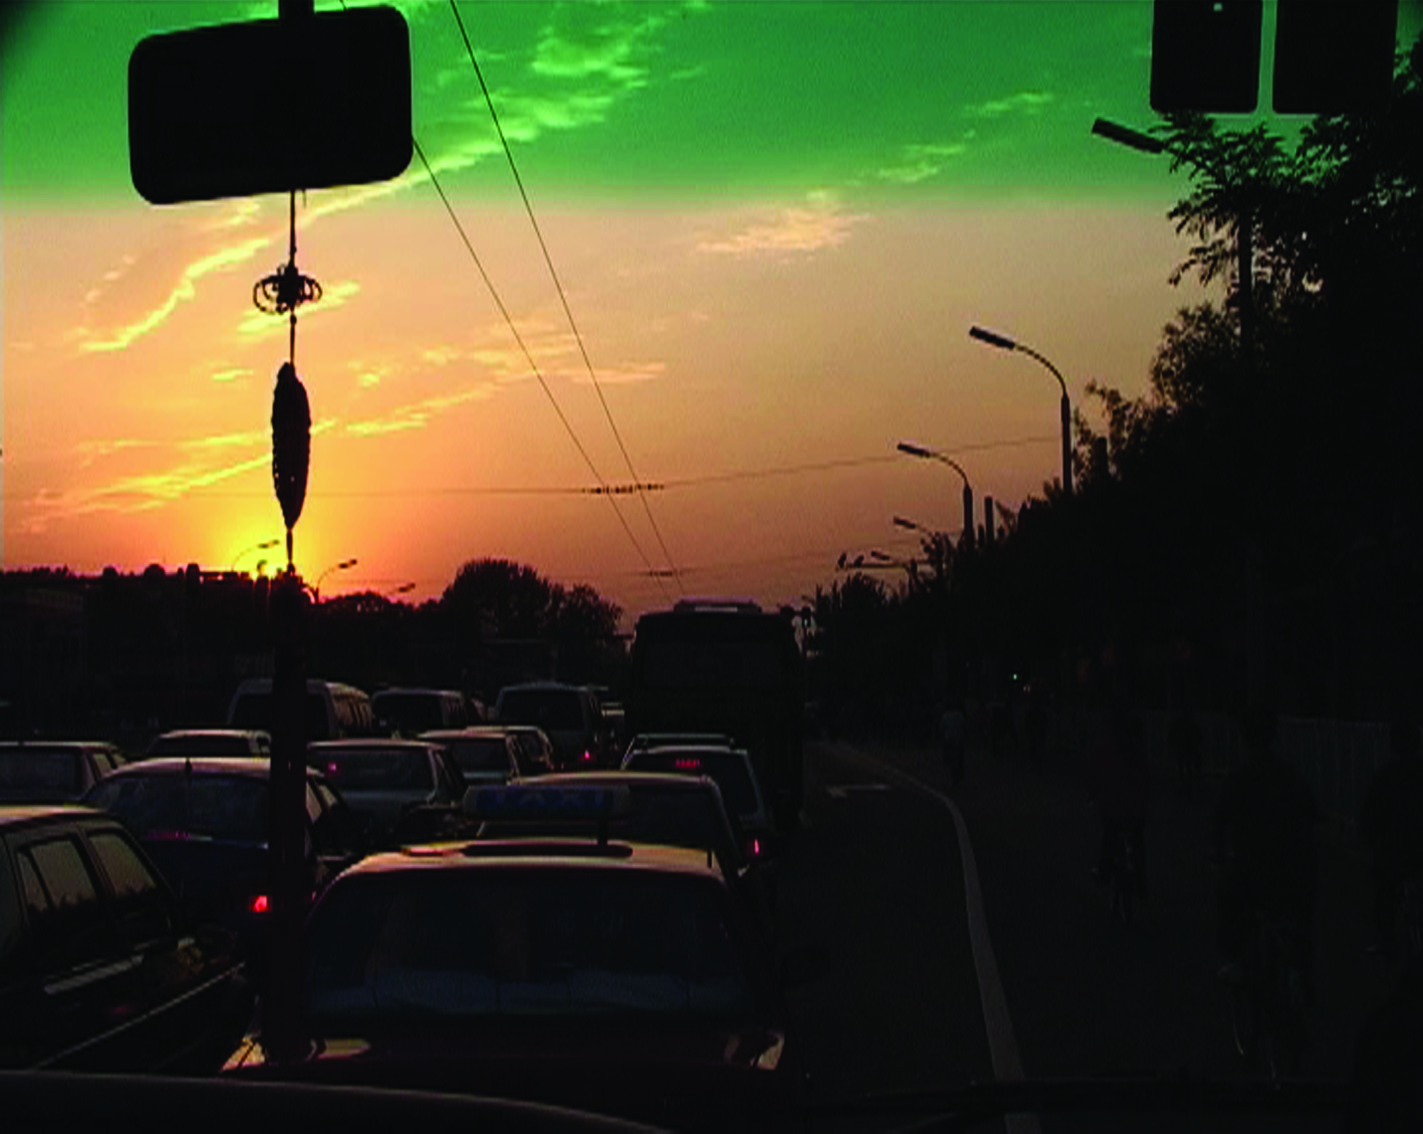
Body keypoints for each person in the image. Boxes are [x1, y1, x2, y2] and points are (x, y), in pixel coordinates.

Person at [1213, 705, 1318, 988]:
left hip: (1252, 866)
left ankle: (1235, 960)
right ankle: (1304, 976)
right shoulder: (1291, 776)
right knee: (1299, 921)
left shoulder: (1237, 777)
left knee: (1229, 899)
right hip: (1295, 867)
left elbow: (1219, 822)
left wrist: (1218, 855)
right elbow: (1312, 814)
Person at [1359, 717, 1423, 959]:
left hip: (1394, 851)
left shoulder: (1385, 775)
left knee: (1384, 892)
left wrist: (1367, 838)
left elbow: (1370, 813)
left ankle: (1388, 940)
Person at [1086, 705, 1149, 897]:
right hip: (1136, 807)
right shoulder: (1137, 748)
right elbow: (1147, 776)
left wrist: (1092, 794)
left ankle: (1103, 872)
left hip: (1112, 806)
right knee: (1137, 839)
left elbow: (1093, 775)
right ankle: (1141, 881)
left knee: (1110, 836)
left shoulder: (1102, 747)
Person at [940, 700, 967, 788]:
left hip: (949, 739)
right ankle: (959, 776)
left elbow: (942, 728)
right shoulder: (959, 714)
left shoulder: (945, 715)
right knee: (959, 757)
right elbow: (964, 726)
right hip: (958, 738)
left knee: (949, 757)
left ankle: (954, 776)